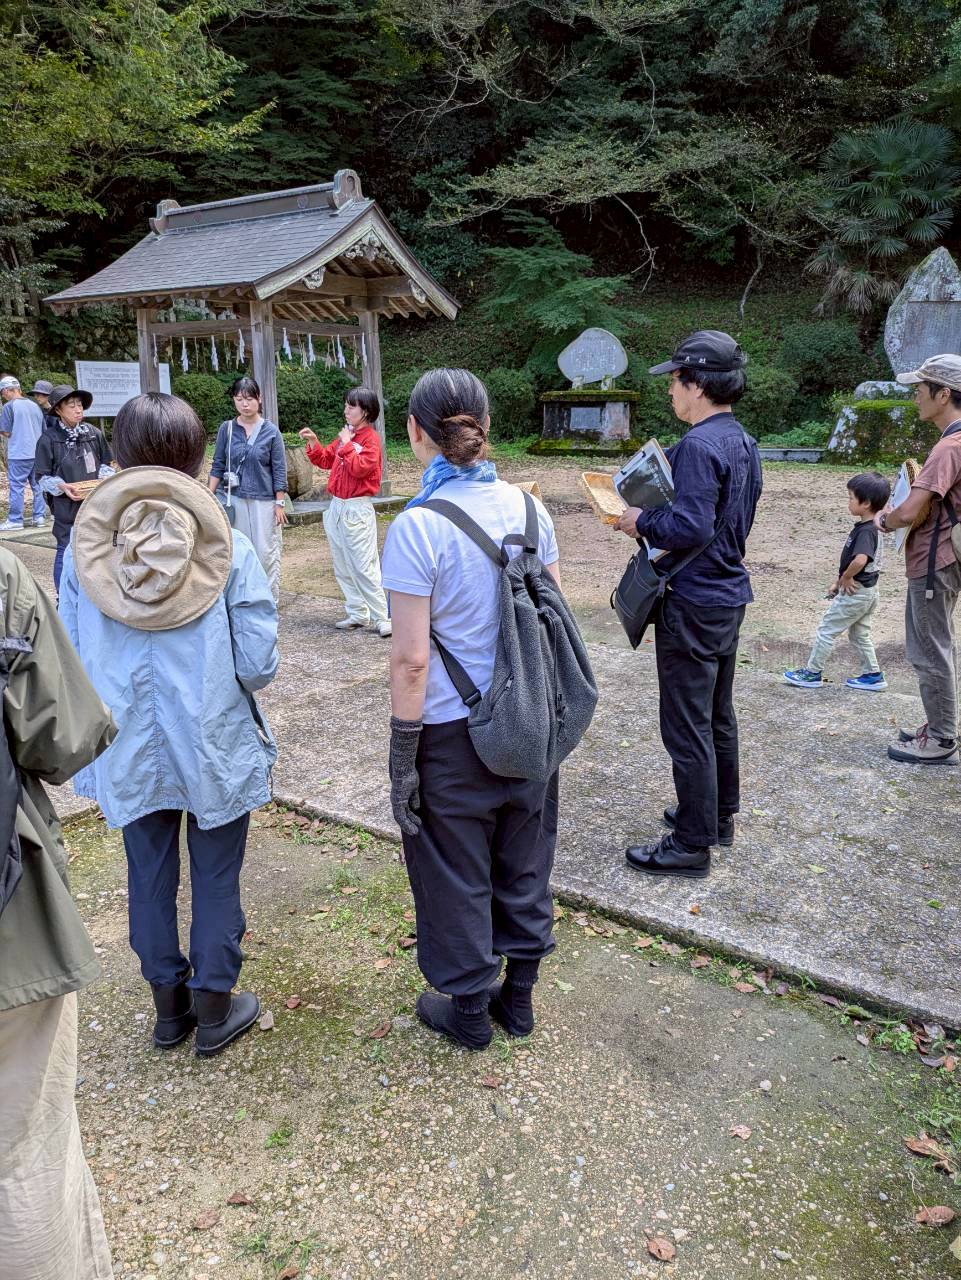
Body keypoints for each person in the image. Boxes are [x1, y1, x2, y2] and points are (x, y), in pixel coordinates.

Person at [60, 392, 280, 1056]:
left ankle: (167, 1007)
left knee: (146, 870)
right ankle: (215, 1007)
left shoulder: (83, 552)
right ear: (195, 457)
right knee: (216, 872)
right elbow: (258, 662)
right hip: (211, 735)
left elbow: (72, 655)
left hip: (125, 737)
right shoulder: (230, 546)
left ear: (118, 456)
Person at [381, 368, 561, 1049]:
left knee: (454, 871)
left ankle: (464, 1014)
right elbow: (545, 618)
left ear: (413, 435)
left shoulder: (417, 528)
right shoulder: (529, 510)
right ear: (484, 424)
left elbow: (411, 659)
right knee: (524, 859)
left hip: (451, 732)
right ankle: (517, 1003)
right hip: (529, 722)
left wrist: (403, 754)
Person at [0, 545, 116, 1278]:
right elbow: (63, 734)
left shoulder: (87, 551)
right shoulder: (4, 578)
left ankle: (173, 1002)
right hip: (9, 923)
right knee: (22, 1150)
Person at [614, 330, 762, 880]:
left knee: (686, 724)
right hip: (726, 595)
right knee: (716, 714)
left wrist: (637, 520)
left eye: (675, 381)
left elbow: (690, 524)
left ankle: (691, 843)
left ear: (696, 384)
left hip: (694, 599)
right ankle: (717, 815)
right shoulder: (740, 440)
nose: (670, 391)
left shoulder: (700, 446)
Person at [875, 354, 961, 765]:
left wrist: (883, 519)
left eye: (920, 388)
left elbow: (908, 512)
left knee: (929, 648)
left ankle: (942, 738)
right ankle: (939, 724)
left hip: (934, 563)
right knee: (935, 644)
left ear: (944, 394)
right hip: (946, 559)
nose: (915, 397)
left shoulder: (949, 446)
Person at [784, 471, 890, 692]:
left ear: (866, 503)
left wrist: (847, 577)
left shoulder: (866, 532)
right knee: (859, 633)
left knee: (826, 630)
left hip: (856, 592)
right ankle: (873, 675)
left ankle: (812, 672)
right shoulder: (869, 529)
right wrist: (839, 580)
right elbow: (854, 560)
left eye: (851, 497)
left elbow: (860, 560)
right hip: (869, 592)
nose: (848, 502)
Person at [299, 387, 391, 637]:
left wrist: (348, 445)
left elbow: (363, 468)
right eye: (347, 405)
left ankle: (382, 616)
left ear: (366, 412)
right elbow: (326, 459)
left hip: (357, 507)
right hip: (337, 506)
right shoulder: (347, 435)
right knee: (342, 563)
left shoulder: (370, 440)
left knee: (362, 564)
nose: (346, 410)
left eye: (352, 406)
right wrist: (313, 442)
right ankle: (357, 612)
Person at [208, 376, 288, 603]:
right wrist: (208, 495)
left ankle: (268, 601)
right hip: (235, 499)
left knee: (265, 552)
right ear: (234, 400)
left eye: (249, 399)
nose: (245, 404)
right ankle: (241, 600)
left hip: (264, 501)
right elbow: (218, 464)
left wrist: (279, 502)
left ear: (259, 399)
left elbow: (279, 469)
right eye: (239, 399)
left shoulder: (271, 431)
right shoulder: (227, 429)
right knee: (238, 551)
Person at [34, 384, 113, 594]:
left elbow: (107, 463)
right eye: (71, 405)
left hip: (94, 503)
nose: (78, 409)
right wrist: (60, 486)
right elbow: (41, 476)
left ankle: (95, 593)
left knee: (97, 547)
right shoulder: (49, 439)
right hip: (65, 506)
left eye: (80, 405)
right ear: (58, 410)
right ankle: (64, 596)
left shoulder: (94, 434)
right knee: (66, 549)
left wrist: (102, 480)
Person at [0, 375, 47, 530]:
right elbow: (43, 430)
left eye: (2, 392)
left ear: (7, 390)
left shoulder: (9, 407)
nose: (3, 396)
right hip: (37, 453)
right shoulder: (35, 406)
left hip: (19, 453)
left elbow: (5, 432)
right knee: (37, 485)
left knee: (17, 486)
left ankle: (15, 520)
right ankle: (39, 517)